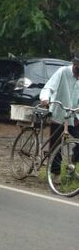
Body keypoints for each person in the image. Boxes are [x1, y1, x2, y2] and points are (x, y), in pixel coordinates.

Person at [39, 54, 79, 182]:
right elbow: (49, 87)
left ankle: (72, 166)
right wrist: (45, 98)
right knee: (56, 144)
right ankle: (55, 174)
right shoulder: (63, 72)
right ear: (74, 64)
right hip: (59, 113)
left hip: (74, 115)